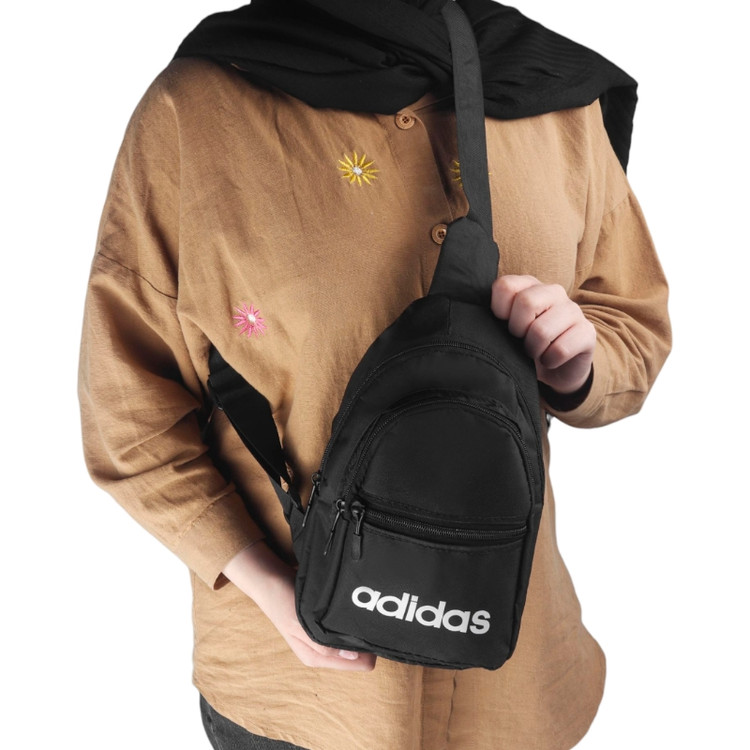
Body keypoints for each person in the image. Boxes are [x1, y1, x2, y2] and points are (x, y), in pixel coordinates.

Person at [78, 1, 671, 748]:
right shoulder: (196, 114)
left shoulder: (552, 97)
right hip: (300, 697)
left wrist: (579, 362)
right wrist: (267, 584)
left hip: (520, 687)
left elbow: (632, 320)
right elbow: (128, 412)